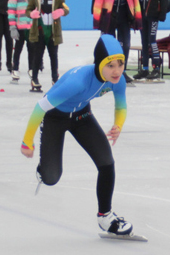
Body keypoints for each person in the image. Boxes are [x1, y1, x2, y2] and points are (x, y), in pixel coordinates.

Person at [19, 34, 134, 236]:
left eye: (120, 64)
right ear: (99, 64)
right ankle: (44, 167)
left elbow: (121, 105)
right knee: (51, 178)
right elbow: (40, 107)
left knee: (106, 162)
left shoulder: (118, 80)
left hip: (82, 115)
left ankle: (105, 216)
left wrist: (118, 125)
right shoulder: (78, 82)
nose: (116, 71)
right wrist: (26, 141)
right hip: (55, 117)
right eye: (111, 65)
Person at [92, 0, 142, 83]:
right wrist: (97, 20)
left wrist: (137, 19)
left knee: (125, 43)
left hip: (124, 16)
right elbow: (98, 2)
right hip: (109, 16)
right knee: (108, 42)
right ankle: (105, 69)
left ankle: (121, 71)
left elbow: (136, 3)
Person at [27, 0, 69, 90]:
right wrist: (32, 14)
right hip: (39, 31)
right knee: (38, 56)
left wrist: (61, 11)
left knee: (53, 55)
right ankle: (34, 79)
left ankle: (55, 79)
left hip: (53, 32)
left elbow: (67, 9)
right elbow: (27, 10)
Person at [133, 0, 168, 80]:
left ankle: (156, 67)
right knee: (144, 41)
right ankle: (145, 69)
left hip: (153, 16)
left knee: (152, 40)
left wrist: (162, 13)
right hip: (141, 17)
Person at [8, 0, 37, 82]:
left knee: (32, 49)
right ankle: (15, 68)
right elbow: (11, 12)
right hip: (20, 28)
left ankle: (31, 68)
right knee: (18, 49)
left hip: (31, 28)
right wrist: (12, 27)